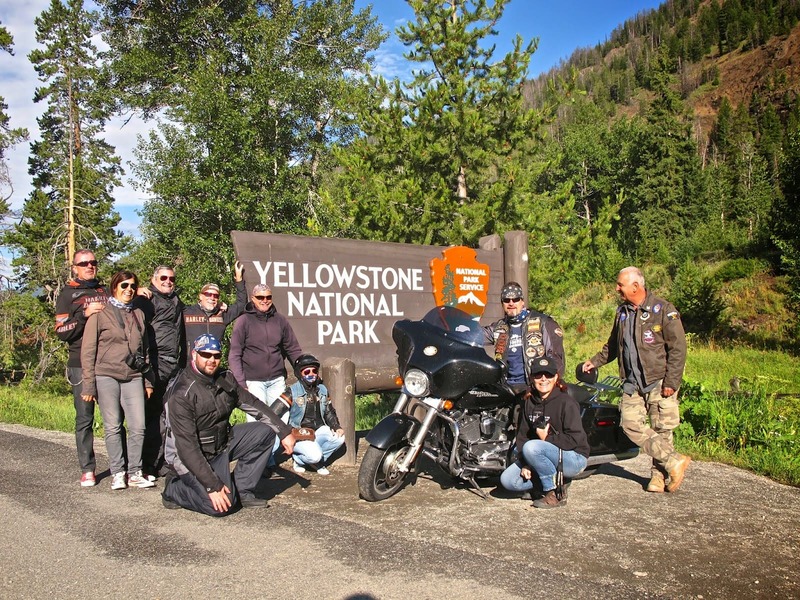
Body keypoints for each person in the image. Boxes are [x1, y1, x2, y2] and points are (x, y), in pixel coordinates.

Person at [581, 266, 691, 493]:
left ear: (636, 286)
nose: (617, 288)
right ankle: (674, 461)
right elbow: (613, 345)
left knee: (662, 429)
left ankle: (658, 477)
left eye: (620, 284)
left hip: (658, 380)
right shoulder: (622, 312)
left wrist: (671, 382)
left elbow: (678, 349)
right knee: (629, 425)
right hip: (632, 382)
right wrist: (595, 361)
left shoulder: (663, 310)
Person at [161, 334, 296, 516]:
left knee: (265, 431)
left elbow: (254, 405)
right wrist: (213, 485)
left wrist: (283, 431)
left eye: (216, 356)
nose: (212, 360)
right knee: (219, 508)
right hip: (186, 458)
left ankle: (243, 489)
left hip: (220, 445)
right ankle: (173, 489)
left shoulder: (225, 379)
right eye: (206, 355)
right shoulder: (181, 393)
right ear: (194, 355)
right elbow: (186, 447)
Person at [81, 270, 155, 490]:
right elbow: (88, 351)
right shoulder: (100, 314)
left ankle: (135, 472)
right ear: (114, 287)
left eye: (132, 286)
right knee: (113, 426)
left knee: (138, 426)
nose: (129, 290)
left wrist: (148, 381)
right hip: (106, 375)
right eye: (124, 286)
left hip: (133, 376)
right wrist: (89, 385)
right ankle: (118, 472)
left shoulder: (138, 314)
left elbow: (146, 351)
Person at [499, 357, 589, 509]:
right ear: (532, 378)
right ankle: (546, 483)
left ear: (555, 378)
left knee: (532, 447)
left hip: (574, 457)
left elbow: (575, 439)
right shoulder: (529, 402)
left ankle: (554, 493)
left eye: (548, 375)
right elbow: (522, 437)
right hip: (541, 453)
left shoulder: (566, 402)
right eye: (538, 375)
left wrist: (546, 438)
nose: (543, 379)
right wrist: (527, 463)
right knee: (508, 480)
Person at [55, 249, 109, 487]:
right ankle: (88, 468)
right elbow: (60, 332)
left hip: (106, 362)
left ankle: (121, 466)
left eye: (93, 262)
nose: (90, 266)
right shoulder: (67, 294)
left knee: (114, 418)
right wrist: (84, 315)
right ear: (74, 267)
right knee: (84, 418)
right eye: (84, 263)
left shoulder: (104, 291)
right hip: (79, 364)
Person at [134, 265, 185, 476]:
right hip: (155, 363)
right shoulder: (146, 299)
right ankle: (145, 465)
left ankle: (162, 462)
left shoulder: (176, 301)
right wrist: (136, 290)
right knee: (152, 416)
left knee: (168, 415)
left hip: (174, 365)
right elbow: (121, 303)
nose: (168, 281)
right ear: (154, 279)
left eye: (171, 278)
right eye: (163, 277)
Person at [229, 283, 303, 419]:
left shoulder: (280, 320)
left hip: (277, 380)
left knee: (281, 422)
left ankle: (277, 442)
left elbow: (292, 349)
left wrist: (303, 370)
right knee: (257, 423)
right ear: (253, 298)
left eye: (268, 297)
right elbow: (234, 354)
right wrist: (240, 383)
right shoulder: (243, 321)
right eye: (260, 297)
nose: (265, 300)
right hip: (253, 382)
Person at [483, 281, 565, 395]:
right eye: (506, 300)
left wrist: (546, 387)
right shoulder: (498, 327)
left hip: (533, 387)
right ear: (502, 304)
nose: (511, 303)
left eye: (515, 299)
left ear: (522, 301)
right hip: (506, 388)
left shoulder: (543, 322)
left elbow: (556, 358)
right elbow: (475, 336)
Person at [272, 354, 345, 475]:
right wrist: (285, 432)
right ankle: (300, 459)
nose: (311, 374)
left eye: (314, 370)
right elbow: (274, 412)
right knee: (315, 455)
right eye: (306, 371)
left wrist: (336, 426)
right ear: (299, 373)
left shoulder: (322, 390)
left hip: (318, 430)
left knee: (340, 439)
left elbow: (329, 412)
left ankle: (313, 460)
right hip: (300, 434)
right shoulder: (292, 392)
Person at [182, 260, 248, 357]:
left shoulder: (223, 314)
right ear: (200, 296)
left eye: (216, 296)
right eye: (208, 294)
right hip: (189, 365)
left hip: (212, 364)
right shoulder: (187, 312)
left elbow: (241, 304)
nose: (212, 298)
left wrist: (239, 280)